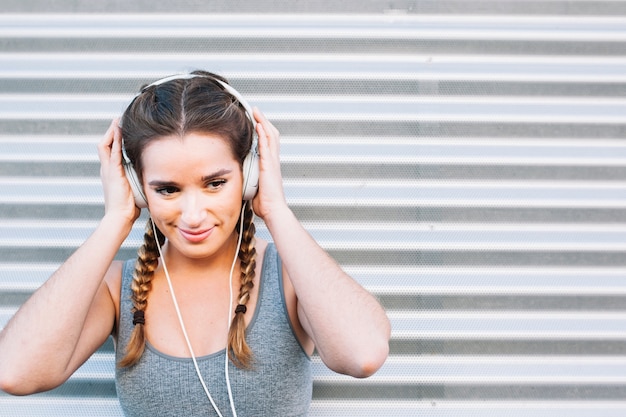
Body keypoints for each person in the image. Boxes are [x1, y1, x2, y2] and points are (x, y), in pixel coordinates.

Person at [0, 70, 391, 416]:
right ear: (138, 188)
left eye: (215, 183)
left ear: (250, 174)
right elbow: (14, 372)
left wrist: (275, 208)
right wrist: (115, 220)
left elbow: (363, 354)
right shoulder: (116, 291)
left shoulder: (288, 277)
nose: (193, 215)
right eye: (167, 189)